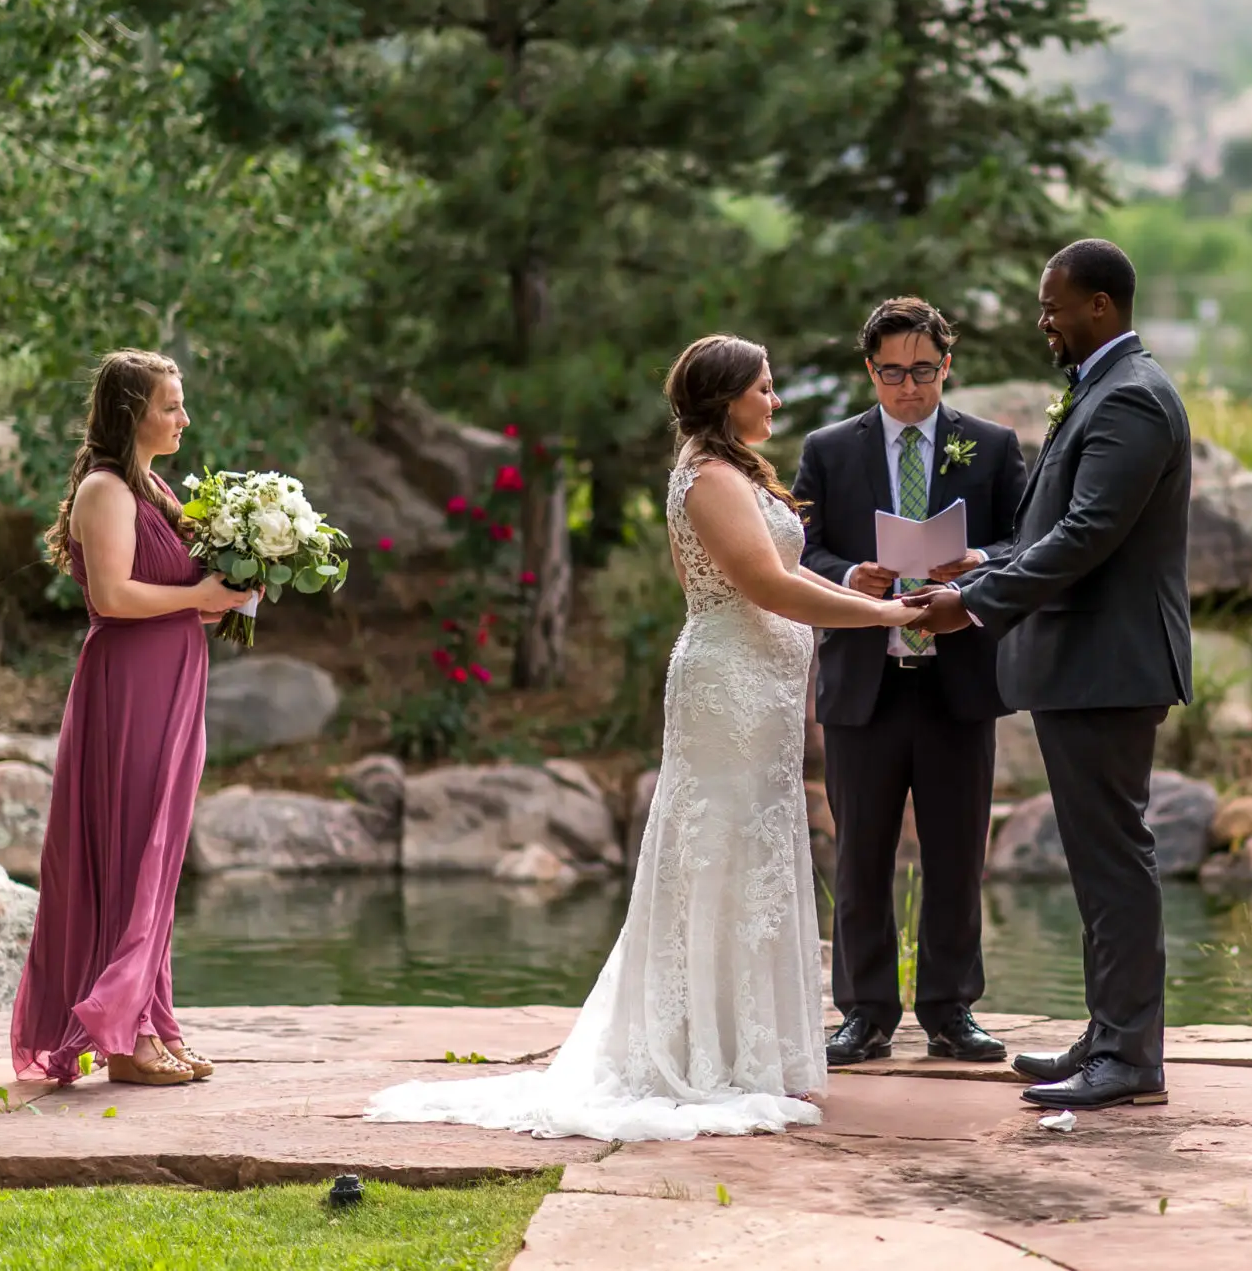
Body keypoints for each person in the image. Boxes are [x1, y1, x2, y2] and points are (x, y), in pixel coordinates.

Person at [367, 335, 919, 1141]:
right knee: (719, 853)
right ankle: (704, 1054)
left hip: (760, 693)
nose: (773, 401)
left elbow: (784, 572)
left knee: (757, 855)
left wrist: (850, 586)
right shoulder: (709, 477)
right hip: (726, 690)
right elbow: (761, 583)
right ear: (727, 396)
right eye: (763, 389)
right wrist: (878, 616)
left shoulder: (737, 471)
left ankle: (749, 1050)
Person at [906, 239, 1192, 1110]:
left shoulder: (1134, 398)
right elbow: (1051, 526)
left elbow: (1087, 536)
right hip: (1082, 667)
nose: (1044, 321)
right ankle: (1109, 1033)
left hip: (1107, 667)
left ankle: (1132, 1056)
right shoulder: (1106, 389)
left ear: (1100, 306)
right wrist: (980, 563)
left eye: (1053, 306)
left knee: (1114, 859)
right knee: (1098, 860)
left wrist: (977, 603)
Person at [791, 297, 1028, 1067]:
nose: (907, 388)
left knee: (958, 851)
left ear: (946, 366)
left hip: (958, 678)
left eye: (922, 371)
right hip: (867, 679)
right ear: (870, 371)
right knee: (861, 853)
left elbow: (1025, 541)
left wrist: (980, 563)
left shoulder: (989, 446)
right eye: (891, 372)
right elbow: (802, 549)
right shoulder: (829, 449)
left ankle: (951, 1011)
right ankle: (863, 1013)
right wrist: (848, 573)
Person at [12, 350, 255, 1088]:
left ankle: (148, 1021)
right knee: (133, 849)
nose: (184, 418)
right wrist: (201, 594)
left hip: (174, 679)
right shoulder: (106, 490)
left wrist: (241, 584)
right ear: (131, 413)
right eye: (170, 405)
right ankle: (122, 1039)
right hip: (129, 686)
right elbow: (115, 597)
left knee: (158, 851)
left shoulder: (155, 487)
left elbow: (188, 587)